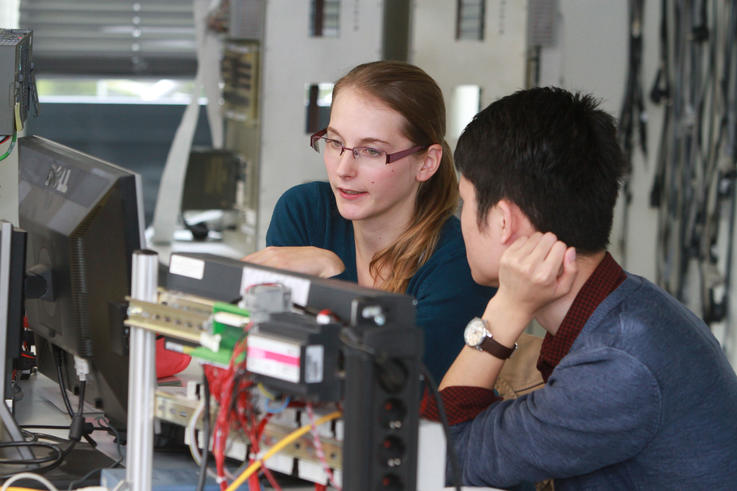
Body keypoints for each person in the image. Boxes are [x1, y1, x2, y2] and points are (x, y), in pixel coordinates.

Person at [426, 87, 737, 489]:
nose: (461, 220)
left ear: (504, 221)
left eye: (464, 203)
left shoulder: (618, 364)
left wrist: (504, 309)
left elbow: (441, 456)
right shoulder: (630, 310)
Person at [243, 61, 494, 382]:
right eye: (335, 143)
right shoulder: (306, 212)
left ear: (426, 163)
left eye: (371, 151)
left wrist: (330, 273)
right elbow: (279, 348)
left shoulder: (458, 261)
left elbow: (390, 379)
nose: (343, 169)